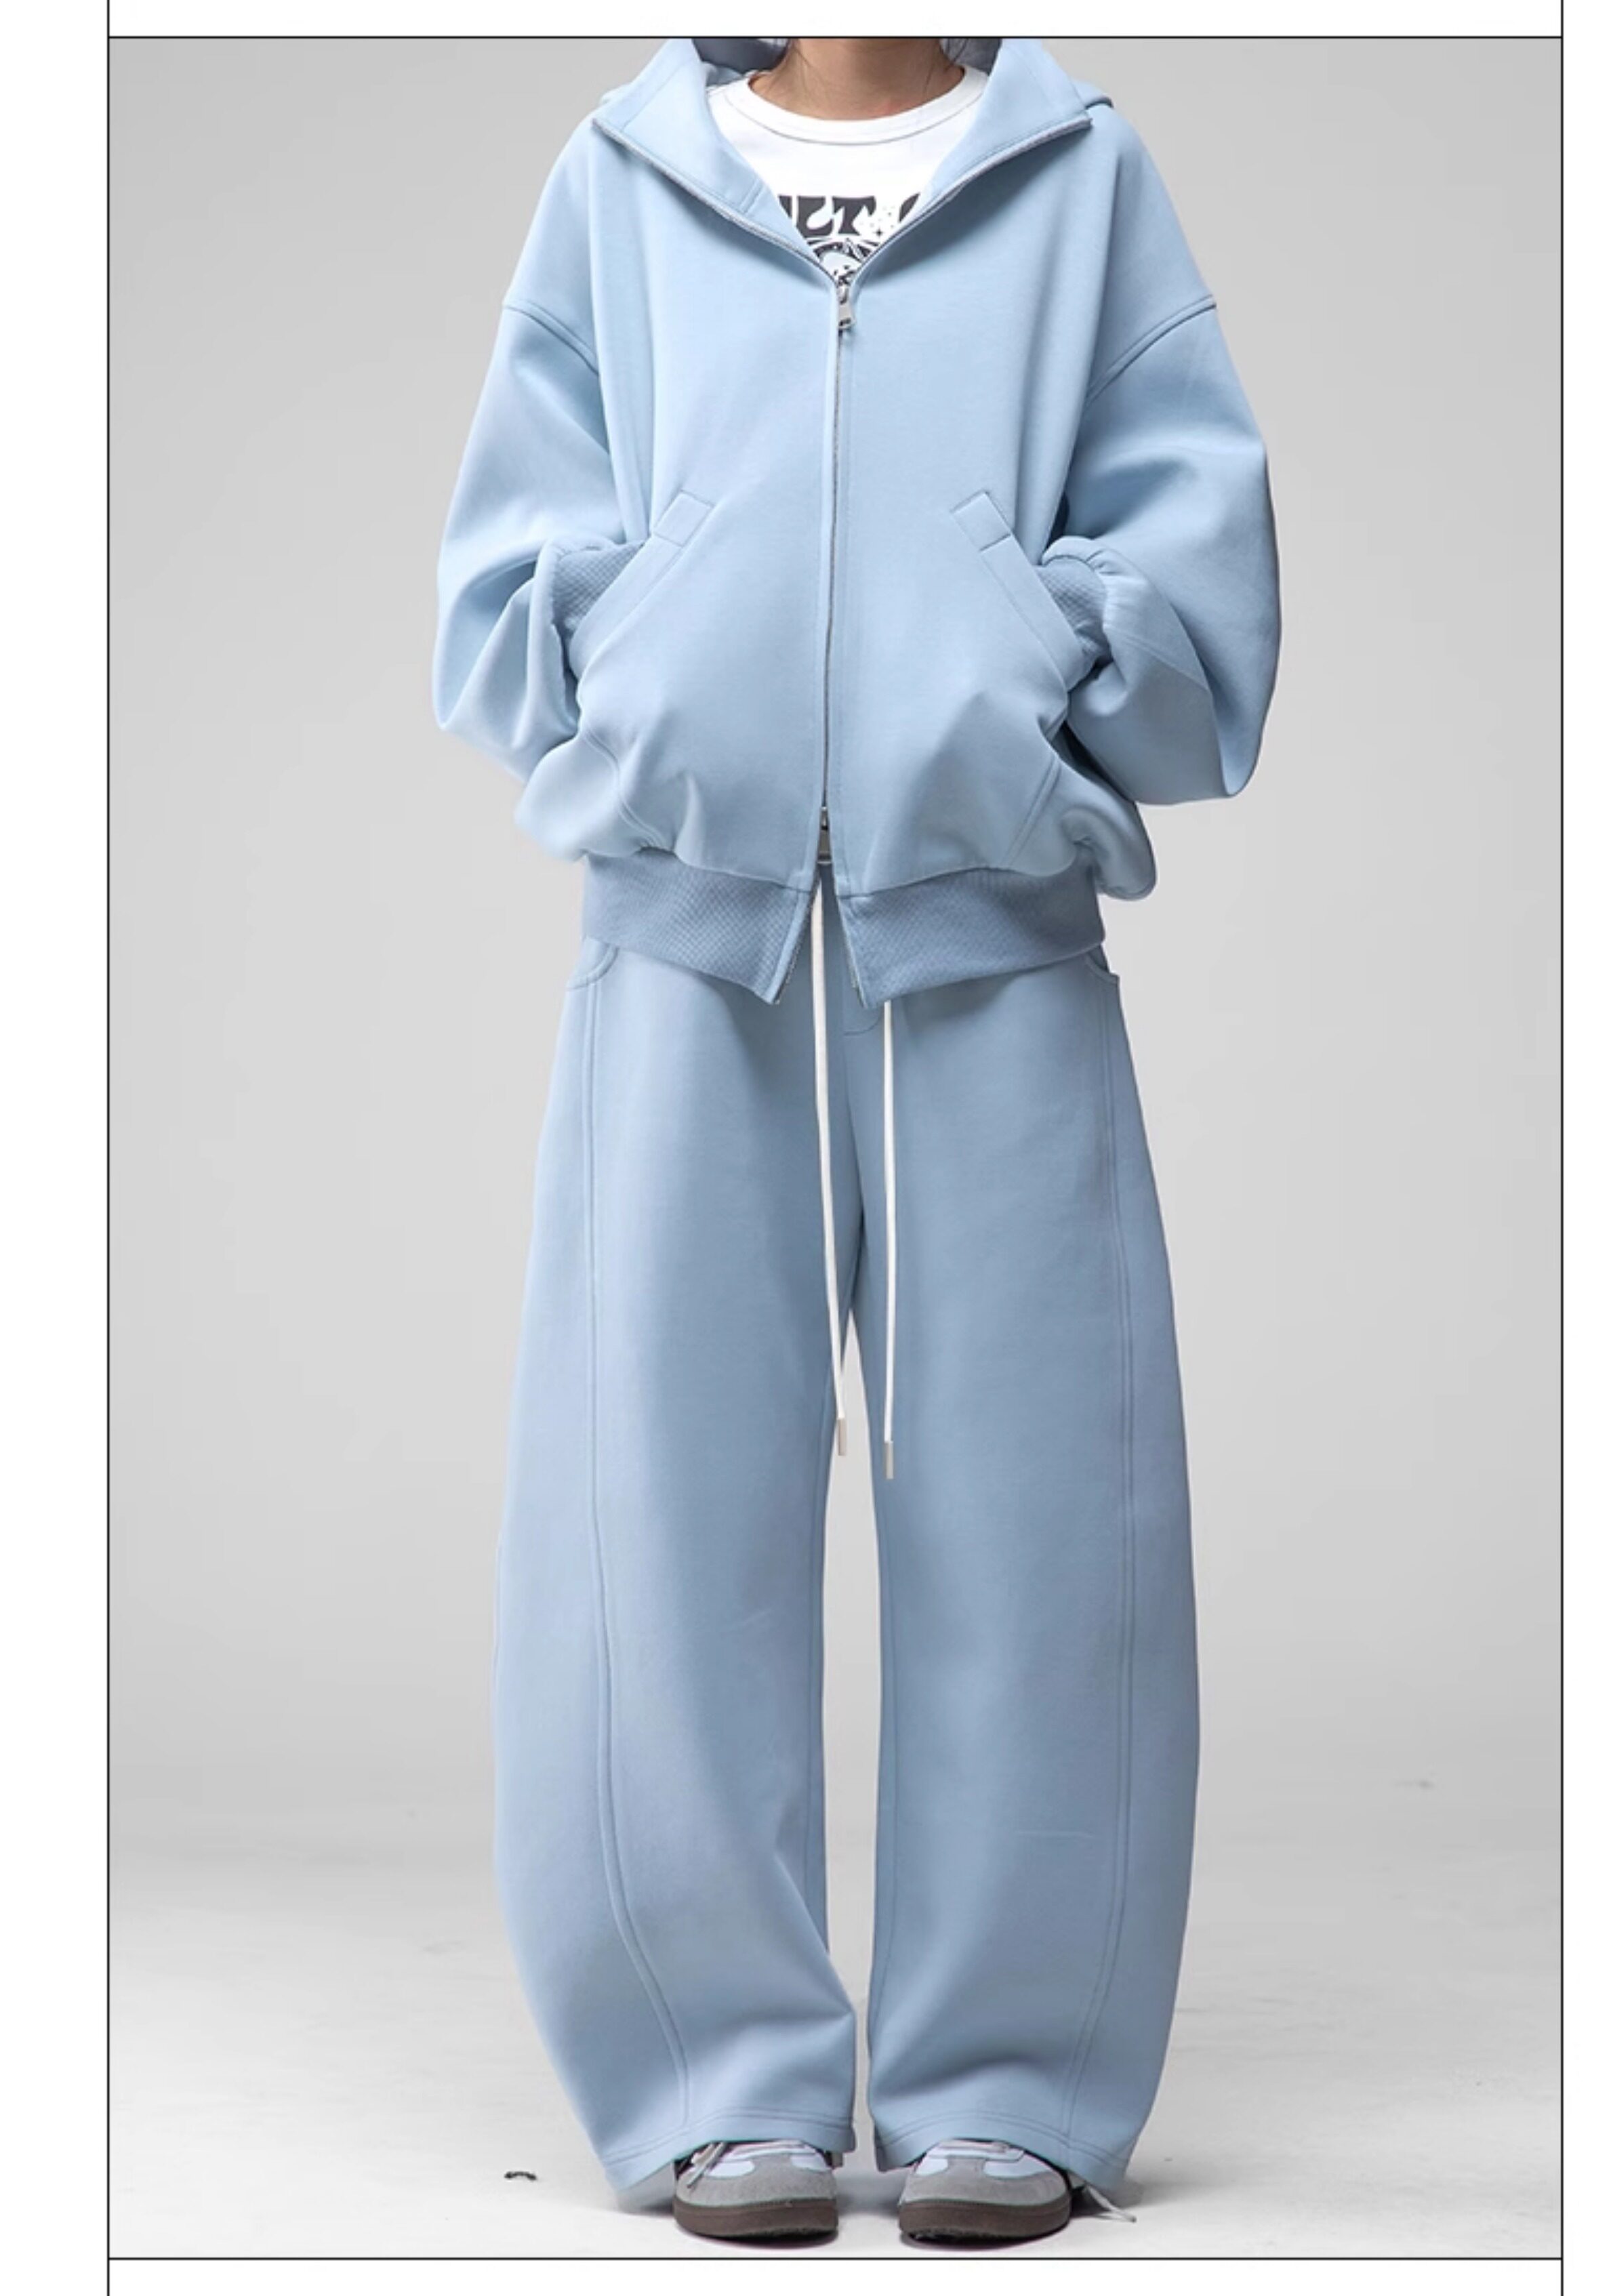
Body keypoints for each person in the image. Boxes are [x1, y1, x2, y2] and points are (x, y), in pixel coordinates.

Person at [433, 35, 1279, 2248]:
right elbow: (501, 568)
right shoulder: (624, 175)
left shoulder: (1079, 176)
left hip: (992, 930)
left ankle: (1023, 2076)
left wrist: (1026, 662)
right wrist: (652, 658)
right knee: (650, 1508)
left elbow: (1202, 579)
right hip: (681, 940)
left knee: (1050, 1508)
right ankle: (712, 2072)